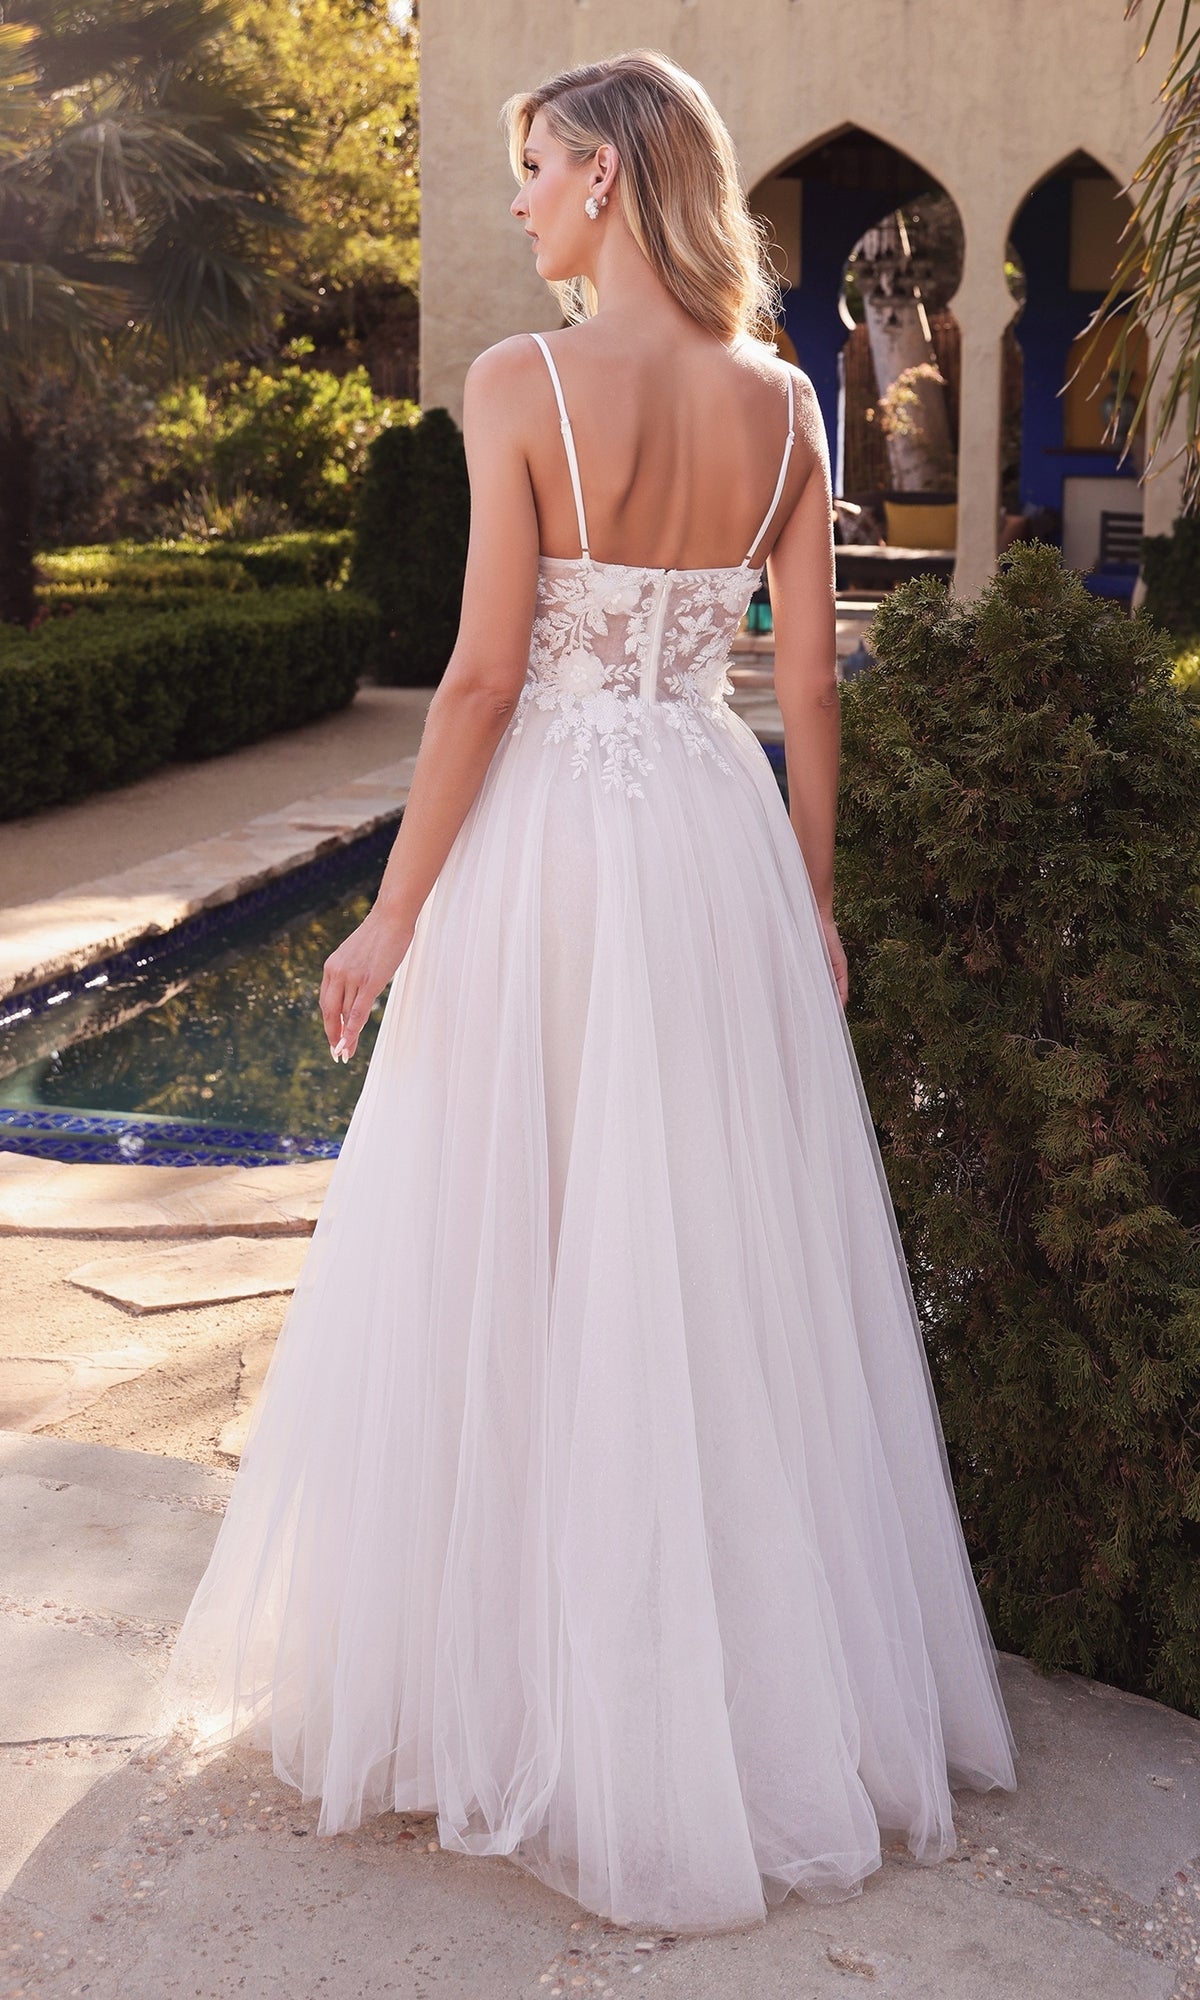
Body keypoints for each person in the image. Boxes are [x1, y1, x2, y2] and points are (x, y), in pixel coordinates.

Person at [159, 48, 1018, 1936]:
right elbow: (803, 691)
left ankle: (521, 1690)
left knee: (518, 1230)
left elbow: (475, 687)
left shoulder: (523, 381)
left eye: (537, 168)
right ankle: (716, 1688)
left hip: (552, 839)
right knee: (703, 1259)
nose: (525, 199)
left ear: (614, 181)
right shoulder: (787, 405)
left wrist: (390, 920)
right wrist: (809, 905)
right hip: (709, 839)